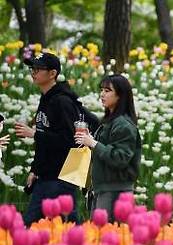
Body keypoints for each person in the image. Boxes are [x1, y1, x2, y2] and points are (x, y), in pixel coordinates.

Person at [16, 52, 82, 226]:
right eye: (32, 68)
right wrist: (34, 169)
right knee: (30, 225)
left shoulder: (63, 102)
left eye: (38, 69)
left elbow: (69, 140)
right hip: (44, 177)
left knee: (65, 227)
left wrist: (34, 134)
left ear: (52, 74)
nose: (33, 72)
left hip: (62, 177)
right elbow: (43, 142)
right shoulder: (45, 99)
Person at [74, 74, 141, 220]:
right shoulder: (109, 121)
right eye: (102, 90)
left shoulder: (123, 124)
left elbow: (120, 158)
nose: (102, 94)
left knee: (108, 237)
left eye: (107, 90)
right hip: (103, 188)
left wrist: (93, 143)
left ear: (120, 96)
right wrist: (90, 140)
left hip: (115, 191)